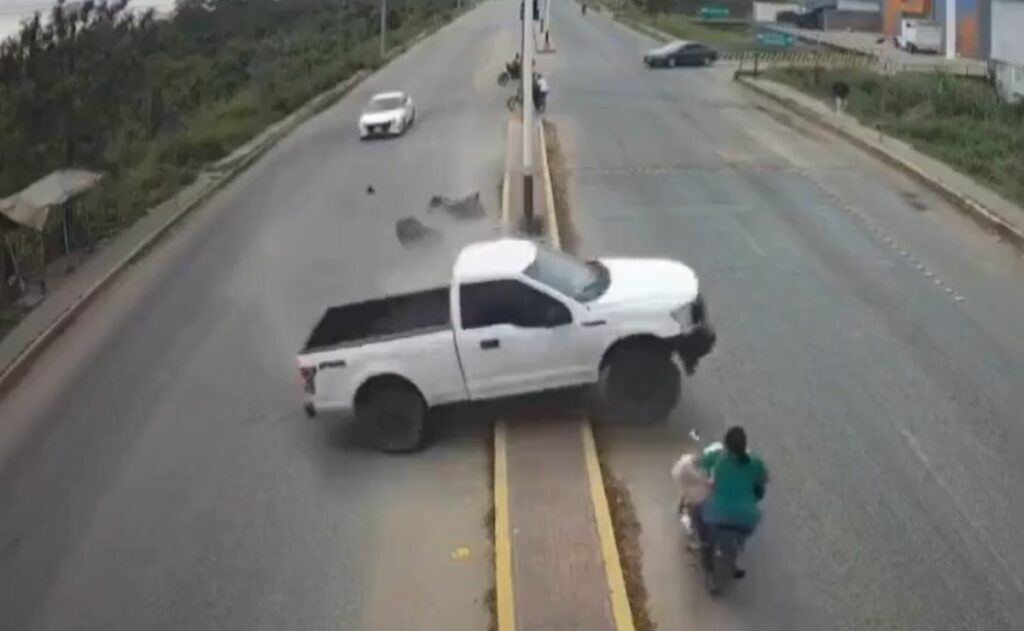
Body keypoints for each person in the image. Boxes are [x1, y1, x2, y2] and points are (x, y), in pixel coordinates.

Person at [692, 426, 768, 578]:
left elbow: (696, 463)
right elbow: (763, 481)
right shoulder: (756, 462)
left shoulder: (718, 457)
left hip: (716, 516)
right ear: (745, 445)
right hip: (748, 521)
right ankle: (737, 547)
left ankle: (705, 546)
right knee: (742, 534)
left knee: (697, 512)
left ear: (726, 444)